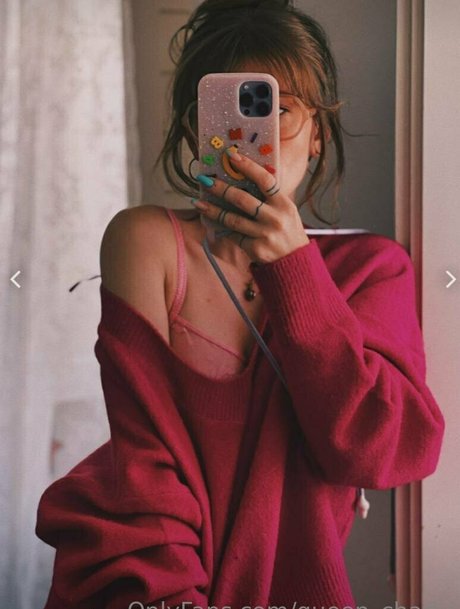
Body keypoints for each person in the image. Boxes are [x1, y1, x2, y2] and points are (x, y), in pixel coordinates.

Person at [35, 1, 445, 608]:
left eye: (278, 108)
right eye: (228, 109)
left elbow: (382, 451)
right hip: (141, 580)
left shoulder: (372, 269)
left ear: (317, 135)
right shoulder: (148, 243)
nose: (254, 135)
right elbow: (146, 470)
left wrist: (294, 268)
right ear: (193, 130)